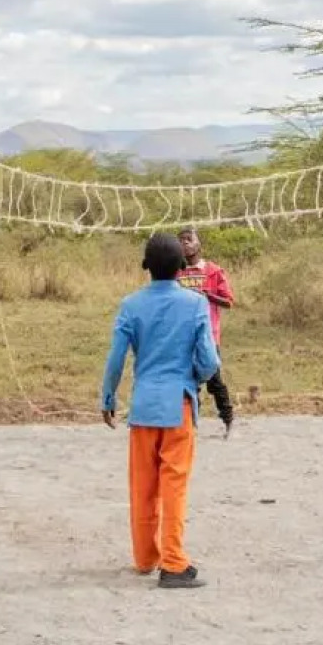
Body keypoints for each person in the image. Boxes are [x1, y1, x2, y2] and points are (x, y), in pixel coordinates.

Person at [102, 233, 221, 590]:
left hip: (142, 409)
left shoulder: (130, 305)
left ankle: (145, 557)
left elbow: (115, 360)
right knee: (174, 486)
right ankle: (173, 562)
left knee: (142, 486)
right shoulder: (196, 304)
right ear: (182, 269)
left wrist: (108, 398)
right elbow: (210, 361)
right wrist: (193, 377)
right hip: (178, 405)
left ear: (146, 268)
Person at [176, 226, 235, 437]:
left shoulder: (212, 271)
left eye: (189, 239)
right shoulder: (176, 272)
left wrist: (207, 295)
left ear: (199, 244)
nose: (185, 243)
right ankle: (191, 426)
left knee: (214, 380)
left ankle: (228, 419)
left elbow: (228, 302)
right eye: (181, 240)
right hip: (183, 336)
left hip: (208, 336)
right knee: (188, 382)